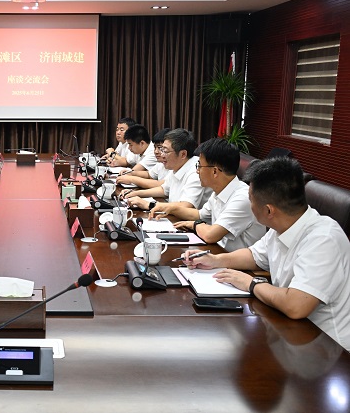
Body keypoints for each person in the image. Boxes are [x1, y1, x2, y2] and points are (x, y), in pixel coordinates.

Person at [185, 157, 350, 351]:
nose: (249, 204)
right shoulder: (283, 224)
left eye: (250, 199)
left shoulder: (324, 239)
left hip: (327, 348)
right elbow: (254, 256)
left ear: (269, 210)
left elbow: (296, 306)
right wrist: (215, 260)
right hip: (288, 332)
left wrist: (251, 283)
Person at [151, 138, 265, 251]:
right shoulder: (219, 190)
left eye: (199, 166)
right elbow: (199, 215)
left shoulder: (242, 198)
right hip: (219, 252)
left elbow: (210, 235)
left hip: (235, 260)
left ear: (215, 171)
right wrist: (171, 209)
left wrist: (196, 224)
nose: (197, 171)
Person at [125, 128, 211, 210]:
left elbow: (185, 205)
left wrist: (148, 204)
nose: (162, 155)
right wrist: (135, 193)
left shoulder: (196, 171)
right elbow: (163, 190)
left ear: (183, 154)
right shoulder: (177, 165)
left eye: (165, 151)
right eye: (162, 150)